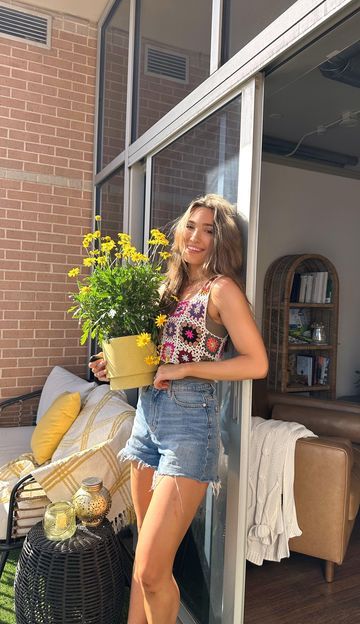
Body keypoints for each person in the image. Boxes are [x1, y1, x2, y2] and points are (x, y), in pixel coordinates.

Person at [90, 194, 268, 624]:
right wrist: (112, 365)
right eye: (191, 225)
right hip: (147, 420)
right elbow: (153, 357)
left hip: (189, 428)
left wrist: (186, 367)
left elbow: (256, 362)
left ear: (221, 240)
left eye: (209, 230)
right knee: (144, 565)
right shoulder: (167, 288)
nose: (196, 236)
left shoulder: (221, 289)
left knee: (152, 569)